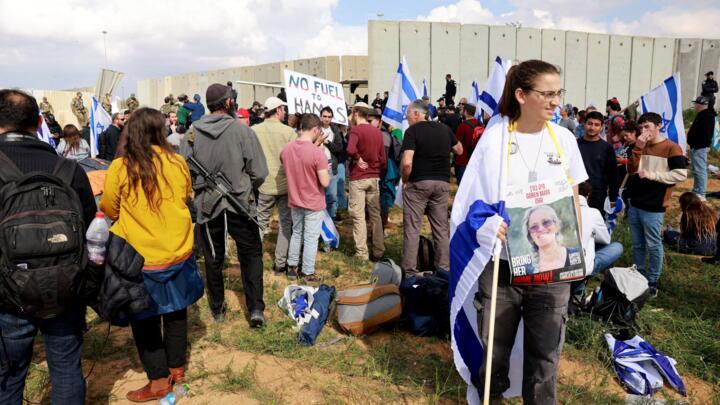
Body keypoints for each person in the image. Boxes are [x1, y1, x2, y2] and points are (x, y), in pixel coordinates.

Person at [474, 60, 588, 403]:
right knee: (494, 352)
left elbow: (573, 197)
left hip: (552, 273)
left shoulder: (565, 139)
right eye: (547, 93)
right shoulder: (495, 139)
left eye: (558, 93)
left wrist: (577, 253)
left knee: (545, 357)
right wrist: (488, 225)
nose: (556, 101)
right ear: (522, 95)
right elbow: (472, 200)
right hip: (503, 268)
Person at [99, 108, 203, 402]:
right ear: (161, 130)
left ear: (131, 132)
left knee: (144, 320)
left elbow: (108, 207)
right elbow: (185, 197)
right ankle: (177, 371)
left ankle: (158, 381)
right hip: (178, 252)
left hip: (140, 258)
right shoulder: (177, 162)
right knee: (176, 312)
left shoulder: (121, 167)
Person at [0, 89, 96, 405]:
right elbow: (89, 227)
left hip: (7, 293)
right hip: (66, 287)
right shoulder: (70, 170)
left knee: (9, 375)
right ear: (40, 121)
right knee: (66, 367)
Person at [185, 83, 268, 325]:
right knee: (251, 255)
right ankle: (255, 310)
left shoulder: (191, 134)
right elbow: (260, 172)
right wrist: (245, 187)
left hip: (207, 205)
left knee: (212, 258)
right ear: (229, 103)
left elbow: (184, 171)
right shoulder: (243, 132)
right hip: (239, 204)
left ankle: (218, 309)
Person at [626, 112, 687, 297]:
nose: (644, 131)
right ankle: (638, 276)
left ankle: (653, 280)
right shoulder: (639, 145)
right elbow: (630, 170)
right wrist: (637, 148)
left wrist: (654, 175)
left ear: (658, 126)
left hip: (654, 205)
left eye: (647, 127)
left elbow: (680, 174)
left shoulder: (671, 147)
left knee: (653, 244)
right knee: (637, 244)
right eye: (641, 127)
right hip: (635, 202)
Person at [401, 100, 463, 276]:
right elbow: (459, 149)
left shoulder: (412, 132)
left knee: (413, 228)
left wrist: (406, 180)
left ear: (416, 114)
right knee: (441, 228)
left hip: (419, 183)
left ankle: (410, 271)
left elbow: (407, 162)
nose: (408, 121)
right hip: (442, 183)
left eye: (408, 117)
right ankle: (444, 268)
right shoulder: (444, 129)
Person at [280, 114, 331, 281]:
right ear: (315, 129)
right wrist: (327, 169)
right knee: (310, 237)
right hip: (313, 201)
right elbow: (324, 182)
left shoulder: (286, 149)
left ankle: (292, 266)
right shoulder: (318, 153)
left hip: (295, 199)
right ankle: (308, 272)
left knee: (296, 232)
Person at [253, 97, 296, 275]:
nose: (285, 112)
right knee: (285, 224)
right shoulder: (288, 132)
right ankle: (280, 264)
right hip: (285, 184)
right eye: (283, 109)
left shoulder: (254, 130)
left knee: (260, 222)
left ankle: (254, 259)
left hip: (264, 183)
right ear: (278, 110)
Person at [347, 102, 386, 261]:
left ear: (356, 113)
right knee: (376, 215)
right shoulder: (377, 132)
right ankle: (379, 251)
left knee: (359, 216)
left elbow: (349, 149)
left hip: (358, 177)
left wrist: (357, 158)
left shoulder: (355, 131)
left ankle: (362, 253)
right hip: (374, 177)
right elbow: (383, 158)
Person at [571, 182, 623, 299]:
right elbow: (605, 239)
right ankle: (579, 286)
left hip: (559, 264)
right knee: (617, 247)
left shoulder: (559, 210)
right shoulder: (593, 213)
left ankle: (578, 288)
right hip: (581, 266)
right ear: (588, 195)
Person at [577, 110, 619, 215]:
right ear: (584, 124)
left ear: (601, 127)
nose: (592, 127)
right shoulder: (575, 144)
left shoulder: (607, 148)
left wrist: (613, 197)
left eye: (596, 125)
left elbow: (613, 175)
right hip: (576, 192)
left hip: (598, 194)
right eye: (590, 123)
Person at [522, 205, 579, 274]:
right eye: (534, 227)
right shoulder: (526, 268)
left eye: (546, 222)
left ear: (556, 225)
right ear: (530, 236)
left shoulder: (576, 254)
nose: (541, 229)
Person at [368, 111, 400, 229]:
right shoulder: (370, 133)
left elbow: (386, 157)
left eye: (370, 121)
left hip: (384, 172)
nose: (368, 123)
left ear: (380, 122)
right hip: (375, 172)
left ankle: (382, 223)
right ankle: (376, 224)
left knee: (383, 198)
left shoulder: (384, 136)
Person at [664, 192, 717, 256]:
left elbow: (685, 234)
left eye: (680, 203)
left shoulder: (688, 215)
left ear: (685, 204)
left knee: (668, 234)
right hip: (714, 245)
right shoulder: (709, 211)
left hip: (697, 245)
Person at [687, 96, 716, 200]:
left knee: (700, 170)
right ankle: (696, 190)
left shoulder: (707, 116)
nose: (695, 105)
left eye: (696, 103)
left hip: (700, 146)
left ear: (701, 105)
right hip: (697, 146)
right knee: (696, 170)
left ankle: (701, 192)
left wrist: (697, 143)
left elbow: (705, 134)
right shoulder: (703, 114)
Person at [319, 106, 346, 219]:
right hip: (317, 165)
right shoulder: (315, 128)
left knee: (332, 196)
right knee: (319, 196)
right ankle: (320, 222)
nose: (327, 119)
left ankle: (331, 220)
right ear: (320, 116)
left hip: (331, 165)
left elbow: (339, 147)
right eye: (324, 116)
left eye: (329, 117)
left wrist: (327, 142)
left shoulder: (334, 129)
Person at [454, 103, 481, 184]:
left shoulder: (463, 126)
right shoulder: (480, 124)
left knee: (462, 188)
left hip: (463, 161)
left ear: (465, 112)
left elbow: (456, 143)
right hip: (476, 160)